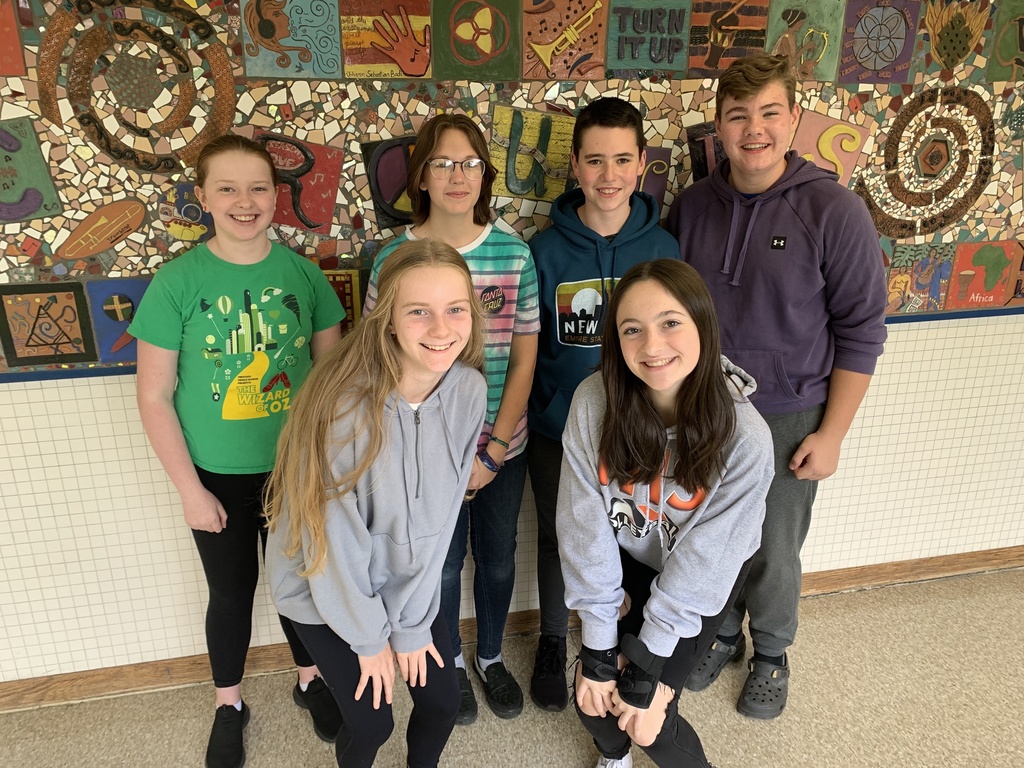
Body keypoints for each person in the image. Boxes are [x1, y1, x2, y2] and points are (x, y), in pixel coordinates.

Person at [667, 53, 887, 719]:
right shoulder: (692, 207)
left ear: (794, 119)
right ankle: (724, 633)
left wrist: (833, 433)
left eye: (768, 113)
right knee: (708, 534)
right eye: (738, 116)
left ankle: (771, 654)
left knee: (774, 551)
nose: (753, 129)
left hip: (792, 414)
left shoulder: (835, 210)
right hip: (707, 413)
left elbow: (863, 329)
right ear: (719, 125)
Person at [130, 134, 346, 768]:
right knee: (231, 593)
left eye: (258, 188)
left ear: (276, 197)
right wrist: (189, 491)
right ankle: (229, 703)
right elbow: (153, 395)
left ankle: (310, 682)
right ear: (202, 197)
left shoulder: (304, 276)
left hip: (295, 472)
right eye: (227, 188)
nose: (244, 202)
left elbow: (332, 381)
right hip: (215, 478)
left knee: (300, 590)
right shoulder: (178, 282)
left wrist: (328, 471)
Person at [264, 238, 488, 768]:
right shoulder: (343, 404)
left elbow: (443, 517)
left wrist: (408, 627)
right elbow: (333, 542)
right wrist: (371, 641)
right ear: (388, 318)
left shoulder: (468, 392)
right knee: (371, 720)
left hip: (407, 581)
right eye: (419, 312)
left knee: (441, 702)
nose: (441, 329)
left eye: (455, 309)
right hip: (322, 584)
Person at [558, 259, 774, 768]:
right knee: (593, 700)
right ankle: (614, 759)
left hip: (699, 578)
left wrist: (648, 666)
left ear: (703, 323)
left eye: (671, 323)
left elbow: (706, 563)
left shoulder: (747, 438)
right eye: (632, 330)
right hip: (630, 552)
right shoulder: (594, 403)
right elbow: (583, 528)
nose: (652, 347)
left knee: (647, 719)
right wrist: (597, 650)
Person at [363, 113, 539, 725]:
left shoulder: (514, 253)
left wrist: (490, 454)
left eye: (470, 163)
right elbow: (376, 360)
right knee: (436, 564)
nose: (457, 175)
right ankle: (448, 665)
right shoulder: (391, 258)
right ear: (421, 177)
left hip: (500, 447)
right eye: (442, 163)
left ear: (485, 174)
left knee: (495, 558)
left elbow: (522, 364)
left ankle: (489, 656)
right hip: (420, 455)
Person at [527, 97, 679, 712]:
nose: (609, 174)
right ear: (575, 166)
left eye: (622, 159)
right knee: (559, 538)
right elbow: (529, 345)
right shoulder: (544, 250)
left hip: (641, 433)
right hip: (560, 427)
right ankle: (552, 638)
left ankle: (629, 648)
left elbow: (680, 338)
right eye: (595, 160)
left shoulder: (665, 244)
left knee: (636, 539)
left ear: (642, 163)